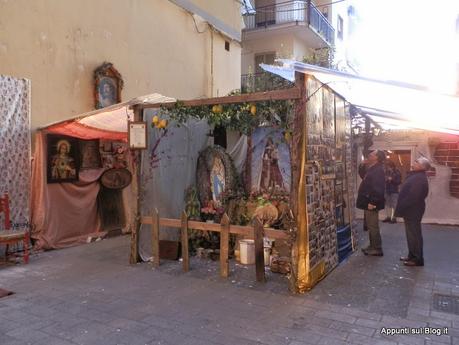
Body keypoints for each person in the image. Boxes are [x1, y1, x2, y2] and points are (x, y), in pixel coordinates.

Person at [394, 157, 430, 267]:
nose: (414, 162)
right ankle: (412, 255)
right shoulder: (416, 175)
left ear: (422, 166)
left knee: (414, 234)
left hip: (413, 209)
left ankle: (417, 259)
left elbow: (413, 196)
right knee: (410, 234)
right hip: (411, 209)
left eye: (417, 162)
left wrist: (402, 205)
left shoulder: (419, 178)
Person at [356, 150, 386, 256]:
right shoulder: (372, 168)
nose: (369, 155)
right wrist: (362, 165)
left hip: (371, 202)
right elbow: (364, 176)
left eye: (372, 154)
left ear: (377, 158)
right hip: (368, 201)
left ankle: (377, 248)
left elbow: (378, 188)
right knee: (370, 224)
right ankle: (372, 246)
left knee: (373, 225)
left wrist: (373, 202)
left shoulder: (378, 170)